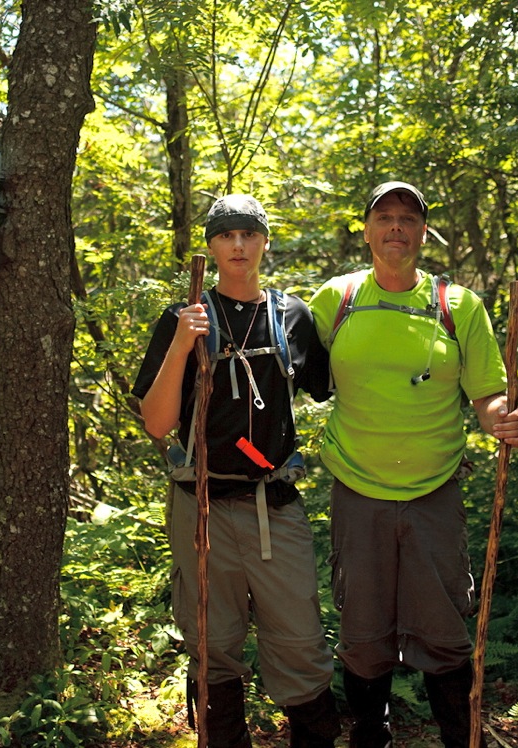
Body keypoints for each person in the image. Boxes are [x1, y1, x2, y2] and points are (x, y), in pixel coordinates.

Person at [308, 181, 518, 748]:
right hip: (357, 490)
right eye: (385, 217)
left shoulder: (458, 307)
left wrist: (504, 417)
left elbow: (487, 395)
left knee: (442, 627)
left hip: (435, 492)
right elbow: (292, 374)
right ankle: (370, 735)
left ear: (424, 232)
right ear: (366, 229)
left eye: (409, 218)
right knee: (362, 630)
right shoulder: (337, 300)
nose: (396, 228)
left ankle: (460, 736)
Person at [132, 194, 341, 748]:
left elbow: (338, 386)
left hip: (274, 506)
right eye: (226, 235)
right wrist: (182, 342)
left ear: (265, 241)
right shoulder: (182, 320)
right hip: (201, 512)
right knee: (211, 644)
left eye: (249, 234)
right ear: (210, 246)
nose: (239, 246)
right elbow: (158, 424)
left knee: (300, 642)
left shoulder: (292, 316)